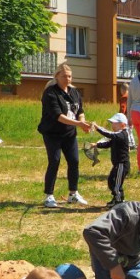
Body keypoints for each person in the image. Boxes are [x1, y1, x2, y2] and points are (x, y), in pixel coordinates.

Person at [38, 63, 91, 209]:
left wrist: (82, 122)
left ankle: (73, 194)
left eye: (69, 76)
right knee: (54, 161)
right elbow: (58, 116)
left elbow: (80, 110)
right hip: (52, 133)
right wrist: (79, 124)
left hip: (69, 133)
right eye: (64, 76)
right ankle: (49, 196)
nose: (67, 79)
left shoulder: (74, 92)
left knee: (74, 161)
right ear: (57, 77)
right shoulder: (50, 93)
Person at [86, 113, 132, 208]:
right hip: (117, 165)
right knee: (111, 181)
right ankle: (117, 198)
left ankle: (119, 202)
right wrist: (97, 145)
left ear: (122, 125)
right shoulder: (117, 136)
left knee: (116, 184)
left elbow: (108, 134)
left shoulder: (122, 134)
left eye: (114, 123)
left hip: (122, 165)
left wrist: (97, 128)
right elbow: (108, 143)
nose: (112, 125)